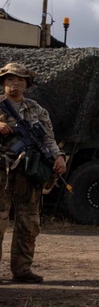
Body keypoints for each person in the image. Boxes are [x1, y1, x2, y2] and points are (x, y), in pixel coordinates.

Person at [0, 63, 67, 283]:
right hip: (2, 170)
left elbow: (47, 138)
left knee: (28, 220)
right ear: (3, 82)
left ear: (26, 84)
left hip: (28, 170)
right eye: (10, 79)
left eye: (20, 80)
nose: (15, 83)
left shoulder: (36, 109)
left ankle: (22, 270)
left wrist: (58, 156)